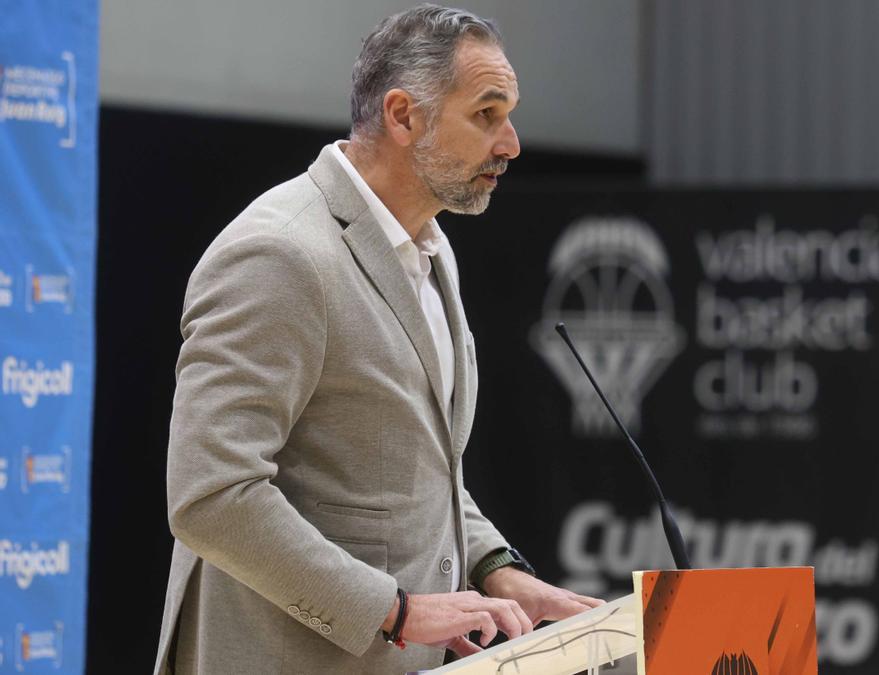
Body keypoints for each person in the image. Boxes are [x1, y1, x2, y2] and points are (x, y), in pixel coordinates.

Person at [152, 5, 602, 673]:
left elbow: (414, 468)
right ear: (402, 116)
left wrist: (500, 570)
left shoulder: (428, 248)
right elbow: (211, 496)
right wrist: (395, 611)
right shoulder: (281, 253)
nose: (510, 143)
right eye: (486, 114)